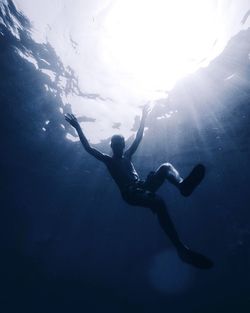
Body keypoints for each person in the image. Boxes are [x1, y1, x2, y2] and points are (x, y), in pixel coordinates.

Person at [65, 106, 213, 269]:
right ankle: (180, 248)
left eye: (121, 143)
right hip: (130, 193)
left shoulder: (128, 155)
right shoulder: (108, 160)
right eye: (116, 144)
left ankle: (182, 186)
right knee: (159, 203)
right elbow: (89, 148)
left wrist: (143, 117)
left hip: (143, 185)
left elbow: (138, 137)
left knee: (165, 166)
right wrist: (78, 127)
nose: (119, 146)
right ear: (112, 146)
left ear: (122, 145)